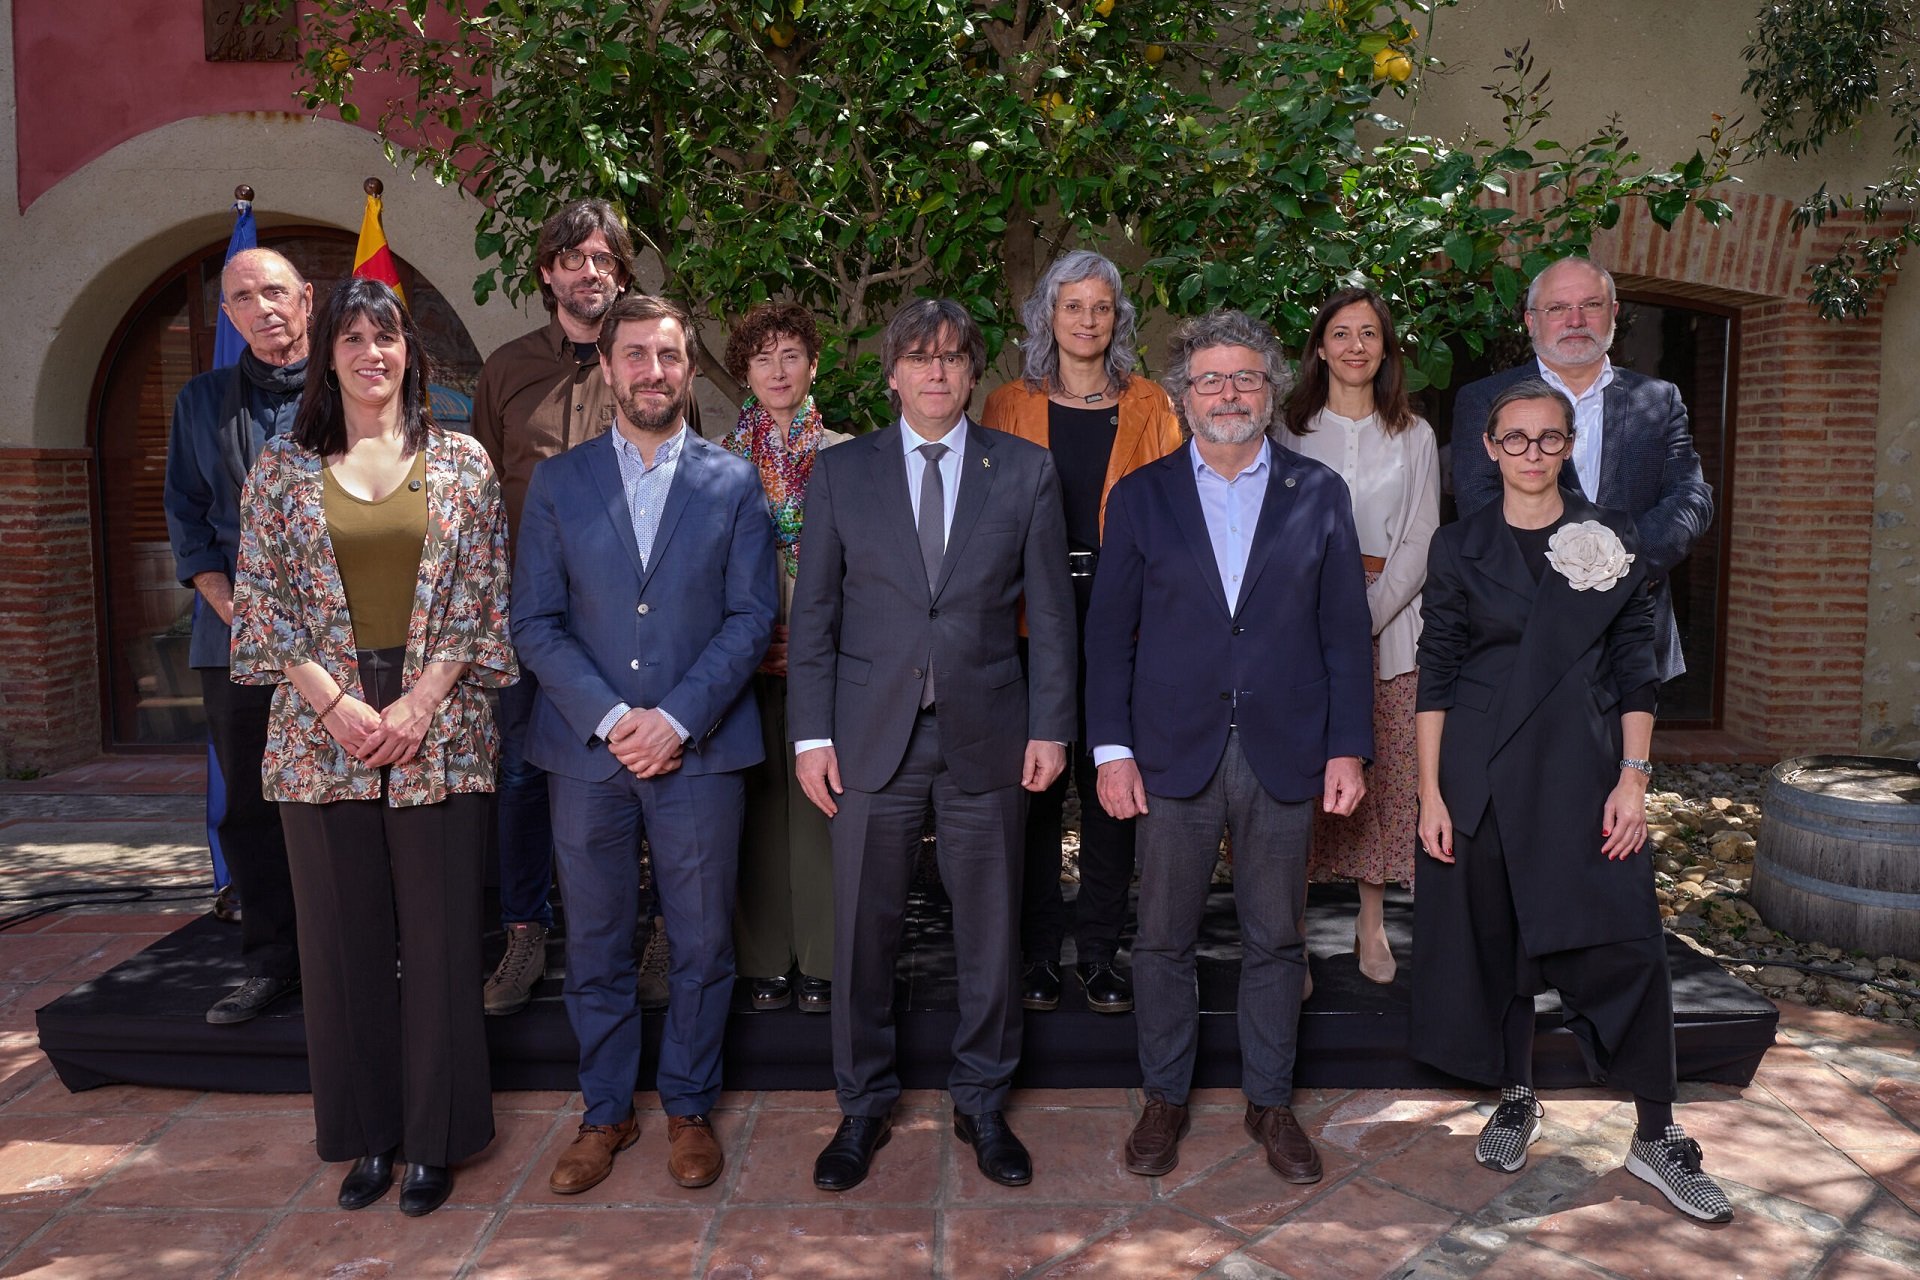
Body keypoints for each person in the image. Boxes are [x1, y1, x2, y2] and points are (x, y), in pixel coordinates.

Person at [1413, 380, 1733, 1224]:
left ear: (1567, 448)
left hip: (1582, 769)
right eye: (1513, 439)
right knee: (1503, 939)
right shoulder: (1457, 546)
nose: (1530, 454)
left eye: (1547, 439)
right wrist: (1428, 794)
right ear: (1488, 448)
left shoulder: (1610, 539)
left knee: (1626, 943)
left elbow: (1638, 668)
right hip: (1479, 771)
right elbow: (1436, 675)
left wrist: (1634, 777)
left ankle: (1657, 1135)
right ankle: (1517, 1096)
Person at [230, 278, 515, 1217]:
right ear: (329, 357)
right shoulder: (279, 469)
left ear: (410, 354)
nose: (369, 353)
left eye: (384, 336)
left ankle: (436, 1139)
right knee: (344, 943)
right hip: (322, 725)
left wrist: (422, 698)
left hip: (438, 719)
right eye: (350, 339)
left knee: (437, 940)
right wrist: (337, 702)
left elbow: (484, 600)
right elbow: (262, 602)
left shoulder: (465, 462)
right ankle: (369, 1137)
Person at [787, 298, 1075, 1193]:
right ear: (892, 374)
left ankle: (983, 1101)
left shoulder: (1023, 472)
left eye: (953, 357)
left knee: (990, 929)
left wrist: (1052, 727)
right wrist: (810, 736)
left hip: (988, 731)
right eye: (920, 358)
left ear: (972, 372)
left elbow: (1054, 620)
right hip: (871, 736)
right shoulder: (841, 475)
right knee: (863, 929)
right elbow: (817, 617)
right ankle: (862, 1104)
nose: (937, 372)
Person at [1084, 309, 1373, 1185]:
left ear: (1271, 389)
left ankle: (1270, 1100)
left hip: (1285, 746)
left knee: (1275, 941)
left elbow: (1344, 634)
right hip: (1172, 749)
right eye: (1210, 379)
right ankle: (1165, 1095)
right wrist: (1110, 751)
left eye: (1245, 377)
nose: (1228, 393)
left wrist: (1349, 748)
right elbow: (1110, 638)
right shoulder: (1140, 496)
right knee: (1163, 937)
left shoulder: (1317, 492)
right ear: (1182, 395)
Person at [513, 294, 777, 1196]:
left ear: (686, 367)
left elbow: (751, 618)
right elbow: (536, 622)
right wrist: (611, 718)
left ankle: (691, 1106)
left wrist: (674, 719)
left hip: (699, 749)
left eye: (668, 355)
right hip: (587, 753)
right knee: (595, 941)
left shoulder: (732, 481)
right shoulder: (559, 482)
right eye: (635, 356)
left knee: (702, 942)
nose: (653, 372)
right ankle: (606, 1113)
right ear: (608, 367)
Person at [980, 250, 1184, 1016]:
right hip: (1029, 621)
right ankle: (1036, 955)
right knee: (1031, 795)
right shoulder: (1007, 404)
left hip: (1122, 622)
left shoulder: (1151, 405)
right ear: (1049, 315)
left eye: (1102, 307)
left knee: (1111, 797)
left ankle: (1098, 954)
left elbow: (1170, 514)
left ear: (1118, 317)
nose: (1089, 320)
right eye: (1074, 306)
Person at [471, 199, 633, 1017]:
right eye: (574, 259)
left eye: (604, 259)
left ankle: (655, 930)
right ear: (546, 273)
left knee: (638, 769)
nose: (589, 272)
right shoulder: (505, 371)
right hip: (527, 620)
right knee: (523, 775)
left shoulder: (645, 364)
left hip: (628, 618)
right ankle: (526, 934)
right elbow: (481, 499)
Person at [162, 247, 309, 1026]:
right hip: (234, 643)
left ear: (308, 300)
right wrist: (236, 610)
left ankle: (364, 949)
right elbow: (188, 519)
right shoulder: (200, 402)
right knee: (252, 808)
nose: (263, 308)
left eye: (276, 291)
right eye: (245, 297)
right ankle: (273, 963)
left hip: (345, 646)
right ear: (229, 315)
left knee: (357, 802)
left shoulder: (351, 390)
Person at [1451, 257, 1713, 683]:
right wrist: (1565, 582)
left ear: (1612, 313)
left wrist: (1623, 571)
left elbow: (1690, 498)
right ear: (1531, 321)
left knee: (1629, 752)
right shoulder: (1485, 400)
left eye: (1590, 305)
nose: (1575, 320)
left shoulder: (1658, 399)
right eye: (1557, 308)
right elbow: (1479, 501)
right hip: (1524, 626)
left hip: (1633, 629)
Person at [1279, 287, 1439, 987]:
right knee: (1299, 777)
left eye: (1368, 333)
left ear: (1386, 348)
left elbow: (1423, 535)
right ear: (1319, 346)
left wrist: (1363, 616)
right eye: (1340, 333)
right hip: (1296, 626)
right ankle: (1292, 932)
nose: (1354, 346)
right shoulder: (1288, 427)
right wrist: (1316, 623)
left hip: (1389, 621)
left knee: (1381, 774)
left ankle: (1371, 925)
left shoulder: (1415, 435)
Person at [721, 302, 852, 1015]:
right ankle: (764, 958)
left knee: (822, 803)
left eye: (792, 354)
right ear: (744, 370)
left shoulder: (852, 453)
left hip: (826, 654)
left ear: (813, 364)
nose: (778, 370)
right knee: (758, 802)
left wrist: (816, 637)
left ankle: (825, 961)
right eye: (763, 357)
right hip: (739, 660)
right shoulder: (714, 461)